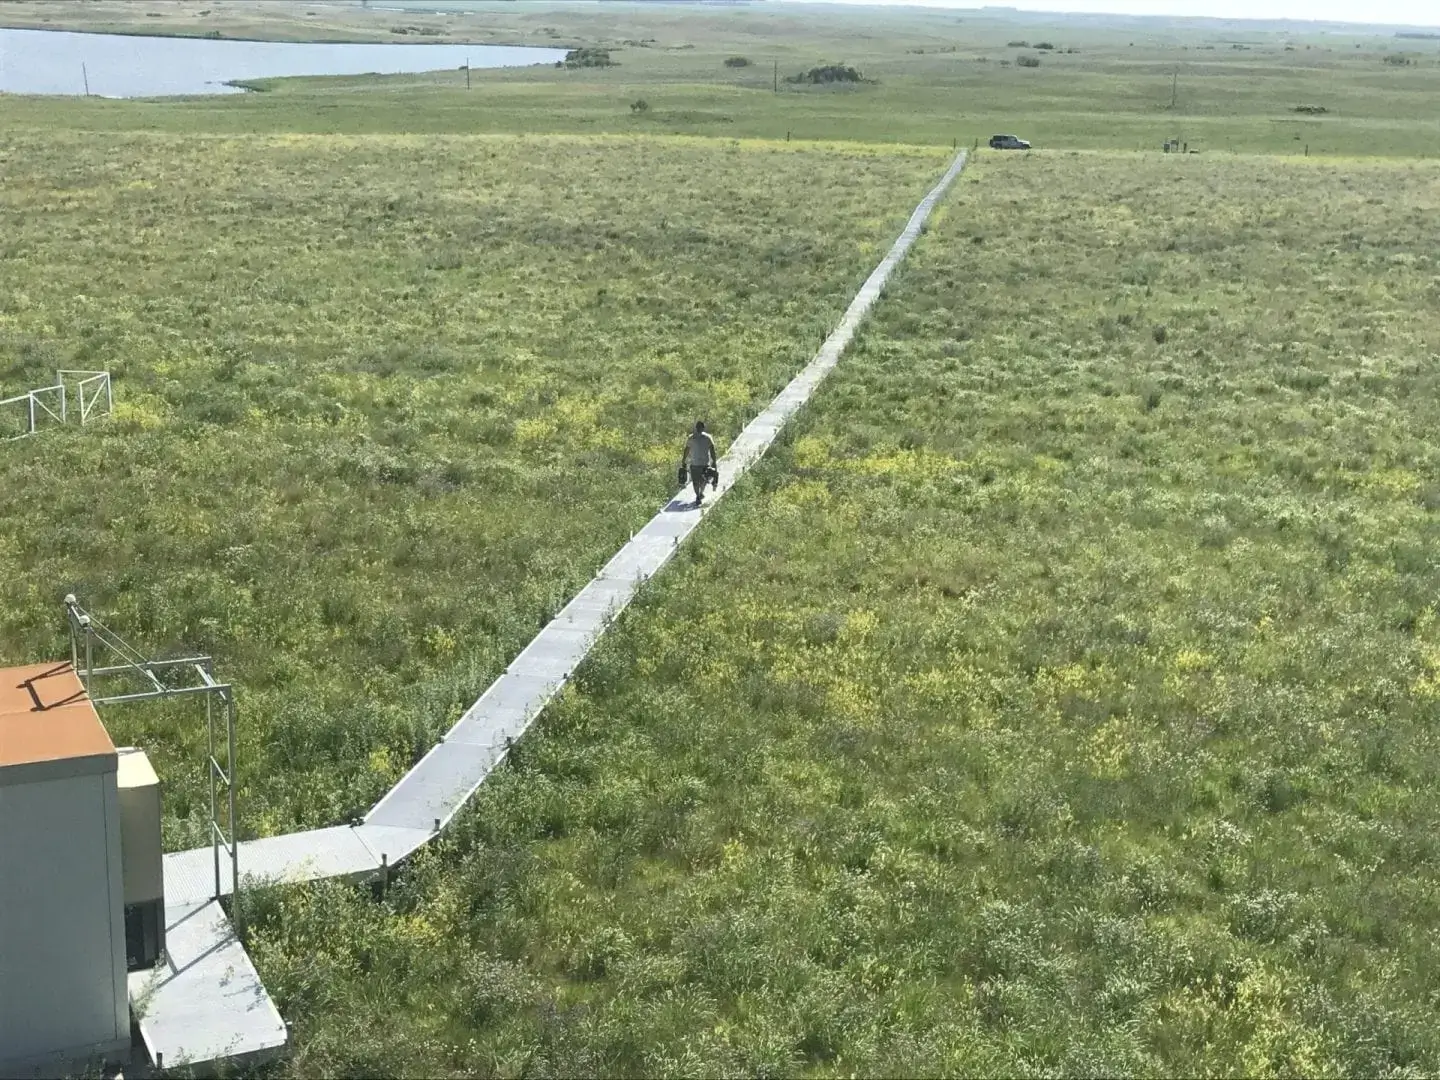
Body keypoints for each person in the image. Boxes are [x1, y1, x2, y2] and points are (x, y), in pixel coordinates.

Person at [678, 419, 718, 505]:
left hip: (702, 464)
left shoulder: (705, 438)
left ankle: (699, 494)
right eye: (699, 427)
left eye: (700, 427)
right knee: (698, 481)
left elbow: (712, 450)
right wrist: (684, 459)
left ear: (701, 428)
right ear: (699, 428)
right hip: (697, 464)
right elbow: (687, 450)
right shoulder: (693, 438)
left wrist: (714, 461)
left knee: (701, 481)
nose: (699, 429)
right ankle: (698, 495)